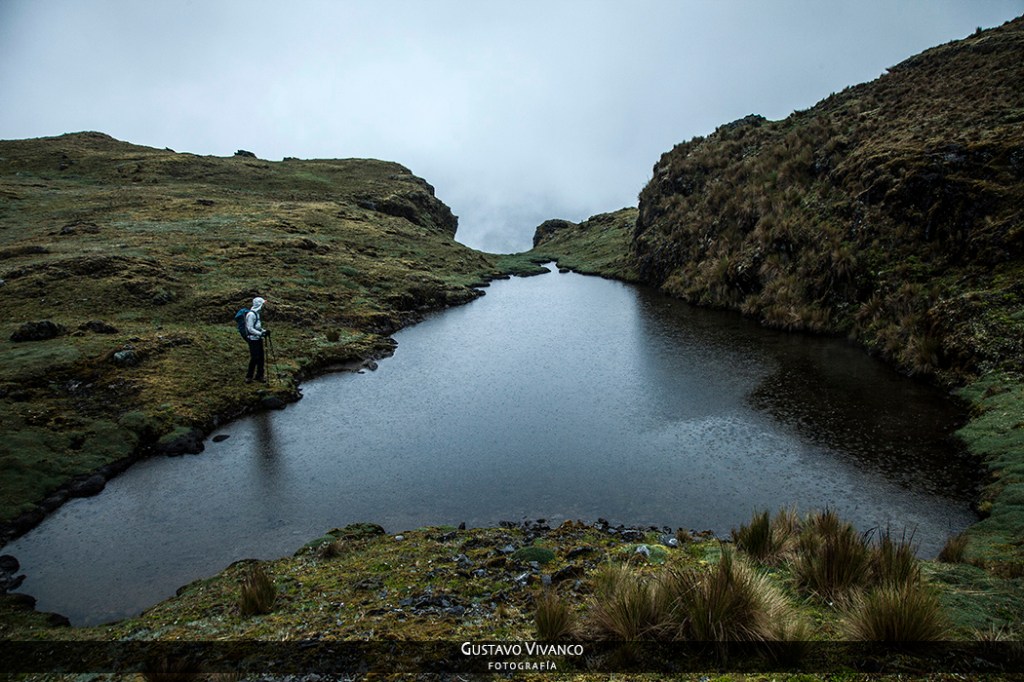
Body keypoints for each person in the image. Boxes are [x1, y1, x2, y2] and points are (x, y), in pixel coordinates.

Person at [245, 297, 270, 383]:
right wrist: (261, 334)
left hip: (258, 339)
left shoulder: (257, 313)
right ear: (259, 304)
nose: (263, 306)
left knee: (261, 358)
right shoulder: (251, 315)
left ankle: (260, 375)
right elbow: (250, 328)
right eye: (262, 304)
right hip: (253, 340)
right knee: (255, 357)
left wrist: (264, 331)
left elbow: (257, 327)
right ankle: (249, 376)